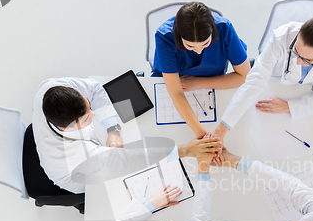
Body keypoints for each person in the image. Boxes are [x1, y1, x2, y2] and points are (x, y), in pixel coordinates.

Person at [32, 77, 222, 194]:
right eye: (86, 117)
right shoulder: (77, 154)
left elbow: (96, 89)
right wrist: (187, 150)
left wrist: (113, 130)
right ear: (68, 128)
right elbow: (133, 159)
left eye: (89, 106)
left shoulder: (50, 87)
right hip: (76, 177)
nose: (94, 114)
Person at [214, 15, 313, 146]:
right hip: (276, 84)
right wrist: (224, 126)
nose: (298, 62)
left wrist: (290, 107)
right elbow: (255, 80)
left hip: (306, 94)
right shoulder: (281, 37)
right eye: (296, 51)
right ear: (300, 30)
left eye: (308, 60)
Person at [152, 1, 251, 137]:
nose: (198, 51)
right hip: (172, 87)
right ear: (178, 36)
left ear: (213, 31)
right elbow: (175, 92)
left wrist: (198, 83)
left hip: (213, 86)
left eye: (205, 44)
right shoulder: (165, 37)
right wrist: (203, 135)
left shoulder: (224, 28)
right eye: (190, 46)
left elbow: (245, 76)